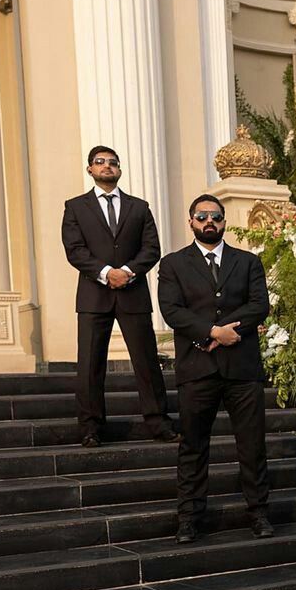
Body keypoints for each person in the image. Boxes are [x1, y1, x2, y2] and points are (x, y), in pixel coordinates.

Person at [157, 195, 273, 544]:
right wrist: (210, 332)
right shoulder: (173, 264)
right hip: (197, 368)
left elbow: (259, 305)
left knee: (252, 445)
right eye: (202, 216)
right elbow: (171, 310)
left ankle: (259, 513)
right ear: (191, 221)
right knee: (193, 445)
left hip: (242, 369)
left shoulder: (248, 261)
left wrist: (225, 333)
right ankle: (189, 518)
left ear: (224, 222)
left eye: (216, 216)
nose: (209, 221)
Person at [60, 146, 177, 447]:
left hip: (133, 292)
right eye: (100, 162)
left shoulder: (140, 207)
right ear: (90, 169)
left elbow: (151, 248)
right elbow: (74, 250)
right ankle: (90, 427)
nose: (107, 166)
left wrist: (126, 271)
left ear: (119, 169)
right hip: (93, 295)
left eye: (112, 162)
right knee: (90, 364)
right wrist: (105, 273)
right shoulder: (75, 207)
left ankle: (158, 422)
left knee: (146, 361)